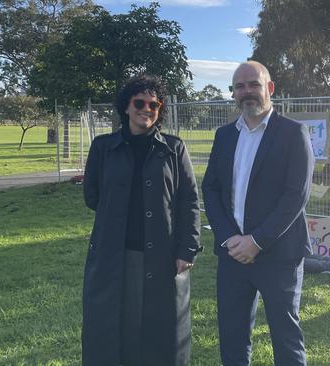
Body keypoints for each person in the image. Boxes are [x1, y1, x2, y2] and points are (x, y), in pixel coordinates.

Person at [82, 75, 201, 365]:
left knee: (161, 330)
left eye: (154, 104)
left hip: (162, 255)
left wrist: (188, 248)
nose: (146, 109)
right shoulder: (102, 147)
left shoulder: (174, 148)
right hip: (113, 253)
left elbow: (189, 201)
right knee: (112, 327)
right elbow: (92, 196)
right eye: (139, 102)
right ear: (126, 106)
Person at [202, 61, 314, 366]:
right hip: (232, 256)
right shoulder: (224, 136)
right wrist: (229, 238)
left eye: (253, 84)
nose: (246, 92)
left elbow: (296, 195)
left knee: (286, 338)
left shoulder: (293, 133)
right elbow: (210, 189)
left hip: (278, 255)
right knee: (232, 337)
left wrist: (257, 241)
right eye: (239, 86)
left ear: (270, 88)